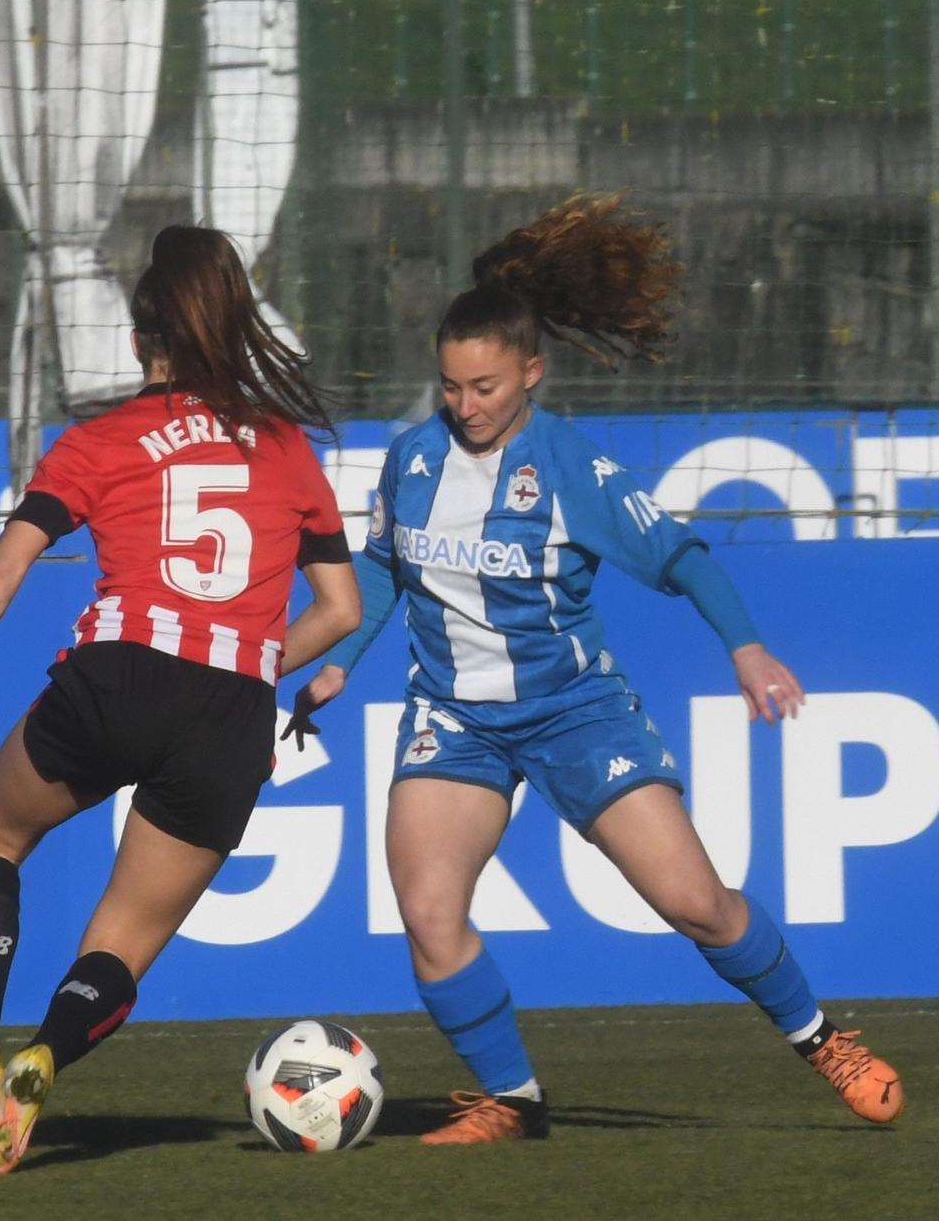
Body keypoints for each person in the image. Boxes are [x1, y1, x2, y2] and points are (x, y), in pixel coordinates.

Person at [290, 193, 904, 1145]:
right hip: (454, 716)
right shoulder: (411, 460)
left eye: (486, 386)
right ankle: (512, 1099)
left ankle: (822, 1038)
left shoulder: (570, 470)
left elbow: (683, 557)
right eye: (452, 387)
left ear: (531, 373)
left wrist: (745, 647)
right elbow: (384, 569)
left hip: (577, 714)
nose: (466, 406)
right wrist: (339, 665)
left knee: (698, 905)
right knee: (426, 909)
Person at [0, 225, 360, 1176]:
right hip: (231, 714)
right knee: (126, 937)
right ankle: (42, 1059)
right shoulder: (288, 447)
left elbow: (5, 570)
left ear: (138, 342)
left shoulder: (97, 441)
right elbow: (341, 609)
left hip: (117, 676)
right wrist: (251, 658)